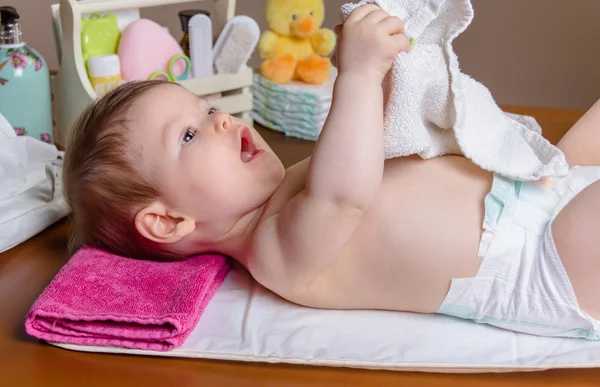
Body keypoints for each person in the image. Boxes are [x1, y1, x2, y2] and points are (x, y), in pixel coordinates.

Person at [63, 4, 600, 340]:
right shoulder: (278, 253)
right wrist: (359, 72)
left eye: (205, 110)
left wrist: (390, 68)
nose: (221, 118)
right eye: (188, 135)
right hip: (544, 263)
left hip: (542, 186)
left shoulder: (291, 184)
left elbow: (379, 140)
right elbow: (346, 194)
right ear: (167, 220)